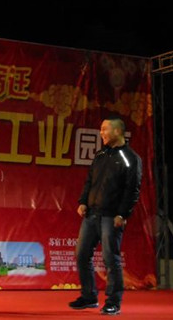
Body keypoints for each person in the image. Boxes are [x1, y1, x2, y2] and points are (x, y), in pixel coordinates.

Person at [69, 116, 142, 316]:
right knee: (82, 253)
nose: (101, 133)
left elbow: (132, 190)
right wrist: (83, 201)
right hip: (92, 214)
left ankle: (113, 302)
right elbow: (89, 181)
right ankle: (89, 296)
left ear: (117, 131)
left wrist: (122, 214)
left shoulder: (130, 158)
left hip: (112, 216)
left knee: (111, 258)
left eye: (104, 129)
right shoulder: (100, 154)